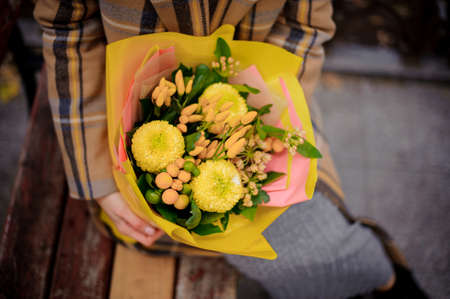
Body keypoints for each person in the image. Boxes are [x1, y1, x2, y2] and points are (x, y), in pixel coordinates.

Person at [34, 0, 426, 298]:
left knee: (312, 254)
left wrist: (269, 113)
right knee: (148, 231)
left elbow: (306, 24)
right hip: (117, 130)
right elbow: (67, 27)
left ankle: (386, 276)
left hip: (259, 112)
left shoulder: (262, 119)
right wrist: (98, 179)